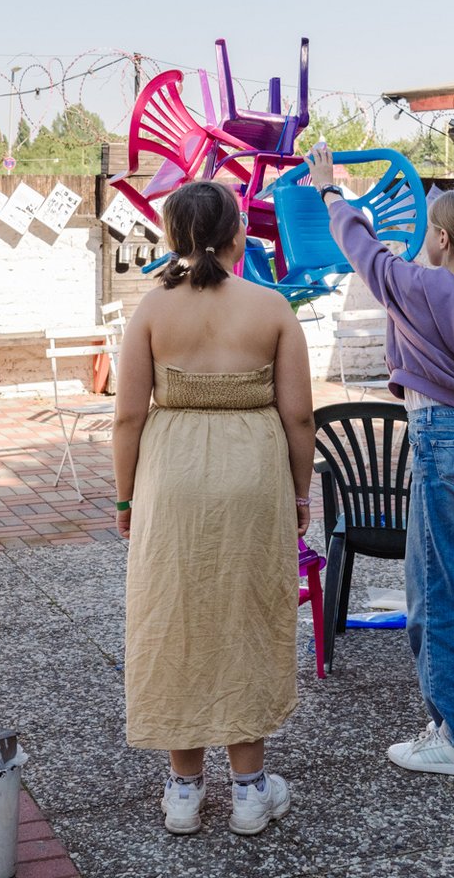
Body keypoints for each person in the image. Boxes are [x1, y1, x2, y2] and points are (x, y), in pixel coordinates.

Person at [307, 145, 454, 778]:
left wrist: (328, 191)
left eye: (429, 226)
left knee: (437, 598)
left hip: (442, 443)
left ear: (444, 236)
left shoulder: (421, 286)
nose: (423, 235)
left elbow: (364, 253)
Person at [114, 181, 314, 837]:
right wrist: (300, 490)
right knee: (248, 613)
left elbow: (126, 418)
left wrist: (125, 497)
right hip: (253, 472)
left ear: (172, 237)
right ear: (237, 237)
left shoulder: (150, 310)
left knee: (177, 616)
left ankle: (184, 791)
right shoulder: (272, 307)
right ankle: (251, 791)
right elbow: (301, 417)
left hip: (171, 477)